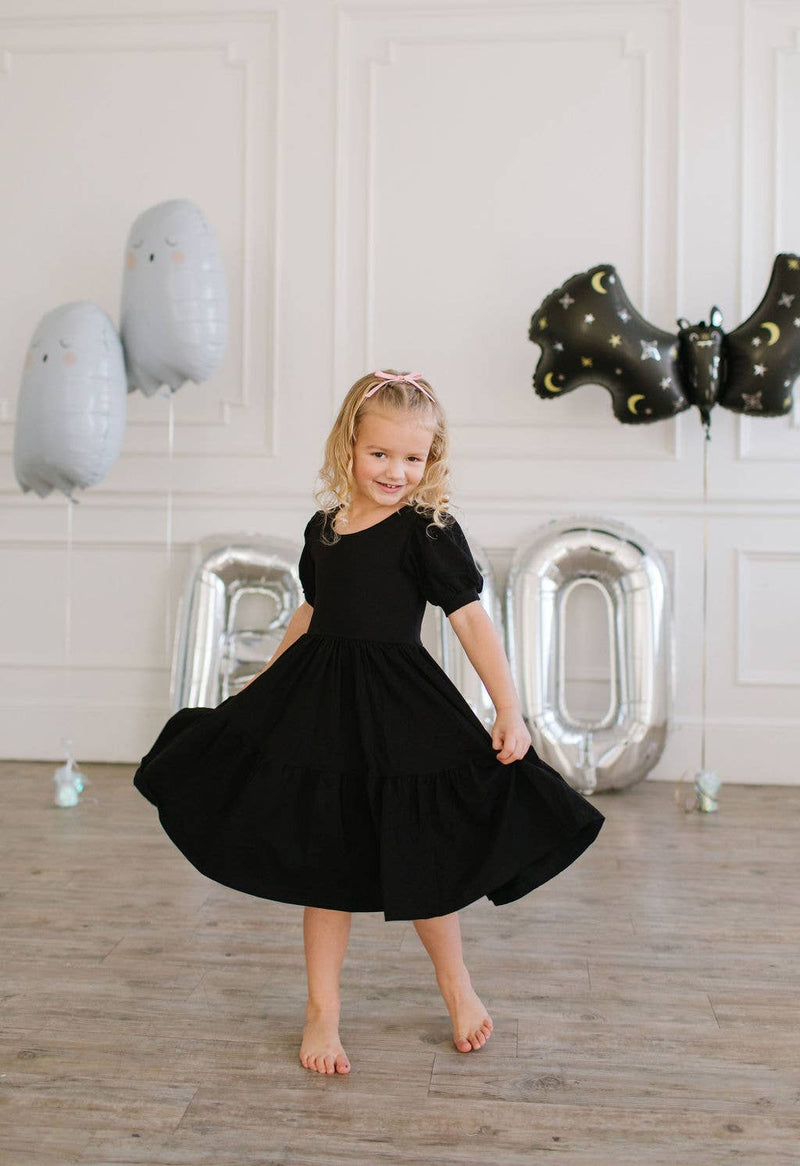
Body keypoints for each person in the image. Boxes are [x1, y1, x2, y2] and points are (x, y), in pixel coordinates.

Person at [133, 369, 605, 1077]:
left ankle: (457, 985)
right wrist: (266, 678)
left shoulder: (428, 531)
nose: (395, 471)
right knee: (325, 858)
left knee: (423, 851)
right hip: (319, 705)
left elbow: (470, 619)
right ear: (348, 446)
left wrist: (508, 708)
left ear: (431, 459)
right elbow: (312, 609)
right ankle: (322, 1009)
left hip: (398, 708)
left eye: (412, 457)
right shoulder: (323, 529)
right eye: (380, 453)